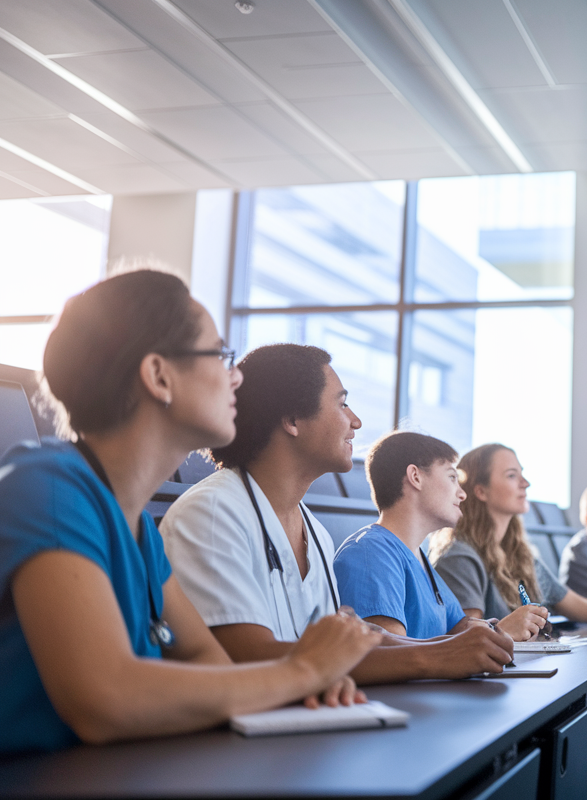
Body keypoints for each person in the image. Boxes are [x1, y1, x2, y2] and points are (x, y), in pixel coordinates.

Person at [0, 271, 379, 753]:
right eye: (220, 356)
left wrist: (301, 686)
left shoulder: (136, 528)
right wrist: (304, 671)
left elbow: (208, 662)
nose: (236, 376)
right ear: (159, 376)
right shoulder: (46, 487)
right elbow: (105, 698)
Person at [160, 344, 513, 682]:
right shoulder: (212, 514)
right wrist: (436, 657)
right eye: (342, 404)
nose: (355, 421)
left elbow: (342, 645)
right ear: (293, 419)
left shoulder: (314, 532)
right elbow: (246, 657)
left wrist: (454, 647)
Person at [333, 431, 548, 641]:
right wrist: (500, 632)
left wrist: (502, 629)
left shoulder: (419, 560)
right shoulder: (371, 554)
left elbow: (460, 629)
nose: (462, 494)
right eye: (452, 477)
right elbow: (389, 655)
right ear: (416, 477)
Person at [430, 444, 587, 626]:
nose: (526, 483)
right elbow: (470, 641)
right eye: (512, 476)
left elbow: (570, 603)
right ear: (480, 491)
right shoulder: (459, 557)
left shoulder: (517, 554)